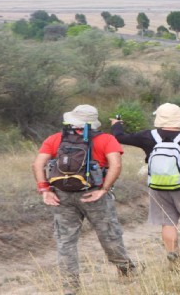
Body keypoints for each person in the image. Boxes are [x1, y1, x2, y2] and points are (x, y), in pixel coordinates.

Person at [31, 105, 138, 294]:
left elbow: (38, 164)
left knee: (66, 241)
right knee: (108, 234)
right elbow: (116, 164)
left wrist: (45, 189)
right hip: (93, 194)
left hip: (61, 195)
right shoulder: (106, 139)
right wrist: (104, 189)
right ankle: (125, 269)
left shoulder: (55, 139)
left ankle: (70, 286)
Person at [112, 103, 180, 263]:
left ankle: (172, 253)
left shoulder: (147, 136)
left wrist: (117, 125)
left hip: (158, 185)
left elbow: (119, 137)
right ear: (179, 118)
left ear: (159, 117)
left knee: (167, 222)